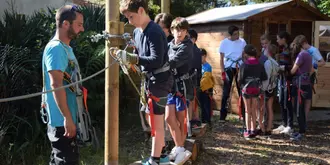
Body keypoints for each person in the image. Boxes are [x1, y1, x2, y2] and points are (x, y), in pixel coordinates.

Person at [119, 0, 173, 164]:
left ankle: (155, 160)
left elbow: (156, 60)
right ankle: (162, 153)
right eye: (127, 18)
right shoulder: (137, 31)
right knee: (150, 117)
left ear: (141, 10)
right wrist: (130, 57)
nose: (129, 21)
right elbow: (139, 52)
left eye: (131, 16)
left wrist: (133, 58)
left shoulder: (155, 31)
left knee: (156, 121)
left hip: (160, 80)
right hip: (149, 79)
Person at [42, 5, 84, 165]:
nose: (82, 29)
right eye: (79, 24)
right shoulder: (56, 49)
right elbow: (56, 84)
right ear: (66, 24)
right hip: (61, 122)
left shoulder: (65, 48)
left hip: (66, 119)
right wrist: (67, 118)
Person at [166, 17, 193, 163]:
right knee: (169, 118)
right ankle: (179, 148)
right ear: (172, 30)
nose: (179, 32)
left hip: (182, 85)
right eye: (176, 29)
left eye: (182, 30)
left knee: (180, 119)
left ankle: (179, 148)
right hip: (169, 86)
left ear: (186, 31)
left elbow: (173, 62)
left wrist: (157, 63)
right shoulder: (169, 45)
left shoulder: (187, 46)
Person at [238, 44, 267, 139]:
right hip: (256, 89)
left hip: (246, 89)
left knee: (247, 110)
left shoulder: (244, 65)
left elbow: (240, 79)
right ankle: (254, 130)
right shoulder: (259, 64)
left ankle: (248, 130)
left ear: (246, 54)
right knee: (254, 109)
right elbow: (264, 77)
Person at [219, 25, 247, 122]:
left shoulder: (242, 42)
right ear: (230, 35)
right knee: (226, 92)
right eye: (235, 34)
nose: (237, 36)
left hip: (239, 67)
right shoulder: (224, 43)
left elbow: (244, 57)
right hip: (229, 68)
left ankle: (244, 115)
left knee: (242, 91)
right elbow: (221, 59)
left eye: (238, 33)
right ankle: (222, 116)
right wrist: (222, 71)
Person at [290, 35, 313, 141]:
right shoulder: (308, 54)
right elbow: (312, 70)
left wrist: (286, 71)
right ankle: (302, 129)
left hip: (299, 84)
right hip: (307, 83)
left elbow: (293, 70)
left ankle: (301, 131)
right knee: (302, 108)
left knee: (298, 108)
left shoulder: (301, 55)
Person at [298, 35, 325, 118]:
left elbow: (322, 62)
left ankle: (305, 118)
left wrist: (314, 65)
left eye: (302, 45)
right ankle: (299, 118)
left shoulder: (314, 50)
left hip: (310, 76)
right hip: (301, 75)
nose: (302, 48)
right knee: (299, 97)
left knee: (307, 98)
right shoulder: (301, 50)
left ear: (305, 43)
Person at [273, 31, 294, 135]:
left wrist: (284, 67)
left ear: (284, 39)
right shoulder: (283, 49)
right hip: (281, 78)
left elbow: (294, 65)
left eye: (278, 38)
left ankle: (290, 125)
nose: (277, 41)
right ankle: (284, 123)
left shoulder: (292, 50)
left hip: (288, 79)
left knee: (288, 102)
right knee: (281, 101)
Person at [259, 43, 280, 136]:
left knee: (262, 108)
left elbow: (267, 77)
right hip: (273, 87)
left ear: (268, 51)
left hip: (266, 88)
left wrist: (262, 89)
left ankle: (263, 128)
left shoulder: (268, 62)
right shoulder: (275, 62)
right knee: (269, 108)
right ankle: (269, 128)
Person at [187, 29, 202, 128]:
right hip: (195, 77)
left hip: (192, 77)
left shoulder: (194, 50)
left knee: (191, 100)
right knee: (193, 100)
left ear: (193, 39)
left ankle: (191, 120)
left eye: (188, 37)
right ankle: (194, 119)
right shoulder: (196, 50)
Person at [199, 48, 214, 124]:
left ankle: (207, 120)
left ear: (204, 56)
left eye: (201, 56)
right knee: (201, 105)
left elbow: (207, 80)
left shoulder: (208, 66)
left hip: (206, 89)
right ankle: (202, 119)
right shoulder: (198, 65)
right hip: (199, 88)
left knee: (206, 105)